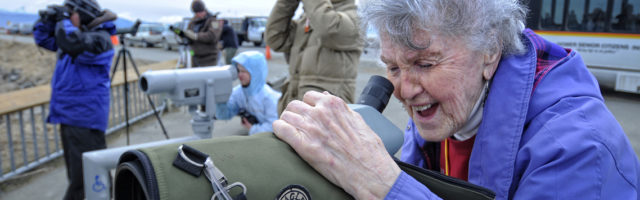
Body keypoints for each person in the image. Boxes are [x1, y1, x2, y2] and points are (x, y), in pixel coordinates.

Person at [272, 0, 640, 199]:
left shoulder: (579, 148)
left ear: (490, 50)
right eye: (393, 67)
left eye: (425, 63)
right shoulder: (450, 111)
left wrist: (383, 185)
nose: (404, 90)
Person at [33, 0, 116, 199]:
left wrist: (63, 20)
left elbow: (71, 42)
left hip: (84, 117)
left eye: (72, 13)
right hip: (70, 115)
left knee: (86, 178)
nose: (69, 18)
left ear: (84, 14)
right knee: (80, 174)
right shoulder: (77, 36)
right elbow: (43, 39)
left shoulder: (100, 39)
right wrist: (47, 19)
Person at [265, 0, 364, 114]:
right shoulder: (309, 18)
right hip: (293, 112)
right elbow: (275, 39)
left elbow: (328, 30)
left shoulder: (355, 18)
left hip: (327, 118)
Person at [215, 51, 281, 135]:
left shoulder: (269, 97)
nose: (239, 75)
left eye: (244, 71)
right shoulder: (238, 92)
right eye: (238, 70)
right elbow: (224, 114)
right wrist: (220, 99)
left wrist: (253, 129)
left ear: (256, 73)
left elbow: (274, 127)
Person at [175, 0, 223, 67]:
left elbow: (213, 36)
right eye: (196, 13)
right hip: (194, 57)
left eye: (200, 12)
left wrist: (196, 36)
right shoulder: (193, 22)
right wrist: (182, 35)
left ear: (204, 10)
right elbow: (189, 35)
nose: (198, 14)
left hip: (209, 59)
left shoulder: (214, 21)